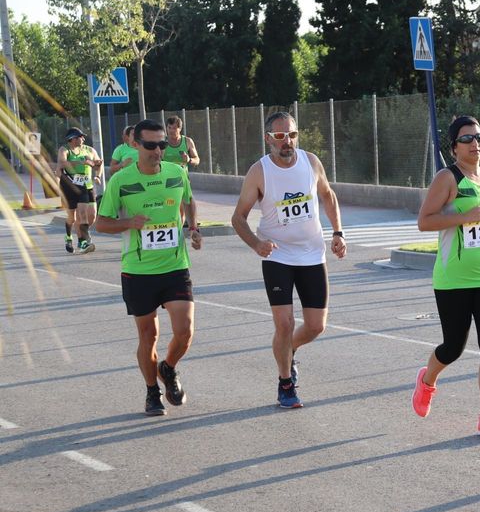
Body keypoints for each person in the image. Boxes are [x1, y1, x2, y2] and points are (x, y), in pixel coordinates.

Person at [231, 111, 347, 409]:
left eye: (292, 135)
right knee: (284, 323)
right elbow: (238, 218)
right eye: (280, 136)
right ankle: (285, 383)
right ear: (268, 139)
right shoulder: (259, 171)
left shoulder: (311, 162)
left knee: (316, 326)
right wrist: (256, 244)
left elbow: (328, 195)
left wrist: (338, 232)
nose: (288, 142)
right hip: (278, 255)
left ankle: (287, 350)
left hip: (312, 255)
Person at [411, 116, 480, 437]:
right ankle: (427, 379)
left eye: (479, 138)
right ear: (454, 147)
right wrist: (463, 216)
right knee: (454, 347)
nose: (475, 144)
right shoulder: (448, 178)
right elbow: (424, 222)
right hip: (453, 278)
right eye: (467, 139)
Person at [95, 119, 203, 416]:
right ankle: (152, 391)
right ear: (136, 145)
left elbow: (189, 200)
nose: (158, 150)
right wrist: (129, 222)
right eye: (151, 145)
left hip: (175, 266)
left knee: (185, 331)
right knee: (148, 336)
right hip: (138, 271)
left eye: (162, 144)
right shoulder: (121, 180)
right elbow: (101, 223)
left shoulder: (177, 172)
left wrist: (194, 228)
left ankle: (168, 367)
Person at [57, 127, 103, 254]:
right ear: (72, 139)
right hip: (70, 186)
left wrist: (98, 175)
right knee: (72, 217)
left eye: (83, 137)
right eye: (79, 137)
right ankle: (75, 239)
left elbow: (98, 164)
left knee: (91, 216)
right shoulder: (64, 149)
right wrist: (81, 162)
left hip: (86, 186)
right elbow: (62, 163)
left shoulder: (90, 150)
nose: (83, 139)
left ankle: (83, 237)